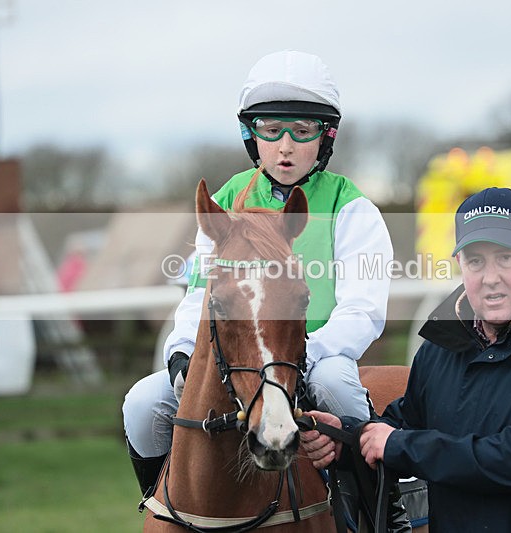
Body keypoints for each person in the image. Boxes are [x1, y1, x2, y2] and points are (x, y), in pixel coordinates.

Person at [122, 49, 395, 506]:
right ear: (252, 135)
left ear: (324, 138)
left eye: (302, 131)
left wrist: (307, 355)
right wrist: (182, 351)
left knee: (337, 389)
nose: (285, 145)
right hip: (234, 359)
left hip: (315, 359)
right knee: (142, 405)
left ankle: (383, 508)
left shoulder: (353, 208)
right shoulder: (225, 202)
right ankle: (165, 508)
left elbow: (363, 310)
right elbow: (198, 295)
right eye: (272, 130)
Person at [303, 187, 511, 532]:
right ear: (460, 265)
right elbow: (407, 424)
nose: (490, 278)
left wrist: (398, 445)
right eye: (476, 261)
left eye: (506, 258)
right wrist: (349, 438)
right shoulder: (443, 346)